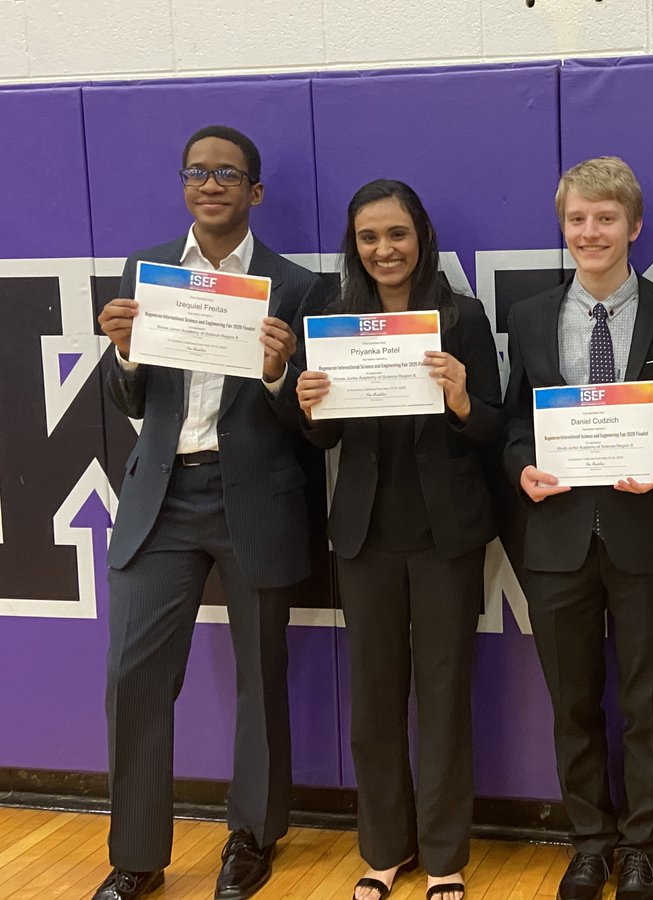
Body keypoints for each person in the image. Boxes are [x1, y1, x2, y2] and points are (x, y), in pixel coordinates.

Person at [94, 125, 328, 900]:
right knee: (133, 674)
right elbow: (132, 397)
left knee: (261, 678)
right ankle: (135, 857)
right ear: (184, 185)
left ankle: (250, 840)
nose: (211, 183)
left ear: (254, 192)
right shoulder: (148, 269)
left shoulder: (297, 286)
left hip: (253, 494)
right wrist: (124, 352)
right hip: (161, 494)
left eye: (228, 173)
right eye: (197, 171)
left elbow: (314, 425)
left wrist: (274, 374)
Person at [503, 157, 653, 900]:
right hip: (558, 537)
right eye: (577, 219)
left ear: (634, 226)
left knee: (645, 701)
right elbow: (512, 423)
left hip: (647, 533)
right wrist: (522, 468)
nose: (590, 232)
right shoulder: (533, 316)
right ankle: (589, 843)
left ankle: (643, 848)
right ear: (563, 227)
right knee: (571, 703)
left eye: (605, 218)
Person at [297, 179, 502, 900]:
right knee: (375, 695)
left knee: (445, 695)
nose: (385, 250)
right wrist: (308, 406)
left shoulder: (463, 317)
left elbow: (494, 428)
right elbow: (317, 438)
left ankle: (444, 855)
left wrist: (462, 399)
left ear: (422, 237)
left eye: (397, 234)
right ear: (355, 247)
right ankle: (385, 850)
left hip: (447, 534)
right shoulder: (333, 319)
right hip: (365, 534)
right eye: (368, 237)